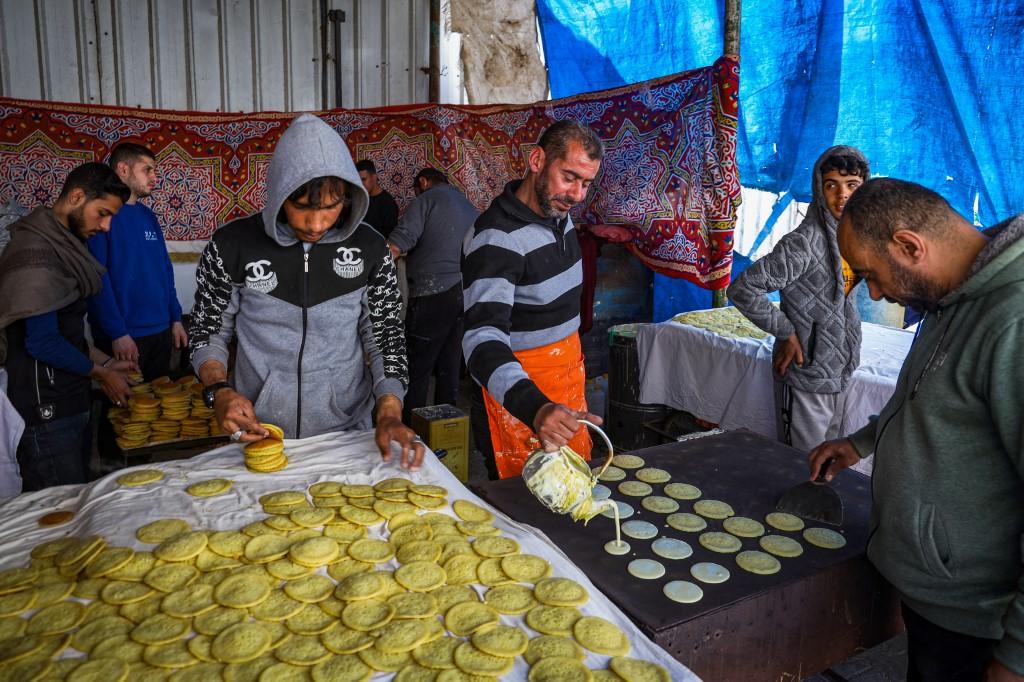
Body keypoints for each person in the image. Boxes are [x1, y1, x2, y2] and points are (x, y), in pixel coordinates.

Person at [809, 178, 1024, 682]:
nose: (876, 292)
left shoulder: (1012, 321)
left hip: (979, 620)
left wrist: (1015, 660)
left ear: (909, 245)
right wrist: (861, 442)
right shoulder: (951, 297)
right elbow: (932, 397)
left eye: (871, 274)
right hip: (936, 598)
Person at [188, 114, 423, 470]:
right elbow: (208, 329)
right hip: (259, 433)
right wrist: (218, 390)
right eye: (302, 208)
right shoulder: (232, 245)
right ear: (280, 194)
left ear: (348, 197)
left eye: (330, 207)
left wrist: (389, 410)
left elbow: (385, 336)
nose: (315, 224)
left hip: (346, 434)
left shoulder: (370, 249)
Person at [462, 120, 604, 480]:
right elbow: (481, 340)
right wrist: (536, 408)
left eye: (586, 183)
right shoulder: (496, 239)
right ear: (537, 160)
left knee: (573, 497)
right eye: (569, 177)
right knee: (526, 510)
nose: (577, 195)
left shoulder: (559, 215)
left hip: (566, 382)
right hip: (521, 397)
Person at [0, 163, 135, 490]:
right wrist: (102, 374)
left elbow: (65, 330)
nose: (105, 226)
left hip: (67, 400)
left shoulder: (65, 245)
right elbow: (42, 342)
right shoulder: (37, 253)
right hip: (44, 410)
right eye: (102, 213)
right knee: (59, 514)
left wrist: (104, 361)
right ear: (76, 196)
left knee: (77, 501)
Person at [728, 146, 868, 451]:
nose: (842, 195)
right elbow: (743, 288)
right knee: (802, 462)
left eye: (852, 185)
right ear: (820, 189)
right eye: (832, 185)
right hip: (807, 373)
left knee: (829, 462)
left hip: (840, 371)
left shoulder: (854, 238)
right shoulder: (803, 243)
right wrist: (786, 331)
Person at [88, 143, 187, 381]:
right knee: (126, 413)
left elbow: (165, 270)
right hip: (124, 337)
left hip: (161, 331)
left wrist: (175, 318)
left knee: (161, 406)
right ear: (123, 169)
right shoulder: (102, 215)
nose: (154, 177)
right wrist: (117, 333)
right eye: (147, 170)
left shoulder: (148, 216)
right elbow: (96, 279)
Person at [387, 168, 478, 422]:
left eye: (415, 189)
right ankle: (445, 434)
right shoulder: (467, 205)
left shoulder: (426, 200)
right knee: (449, 367)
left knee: (417, 369)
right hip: (462, 294)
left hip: (431, 293)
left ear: (423, 182)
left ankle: (410, 432)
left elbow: (396, 245)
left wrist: (371, 280)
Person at [356, 159, 399, 239]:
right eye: (359, 180)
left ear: (374, 177)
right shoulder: (361, 199)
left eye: (364, 179)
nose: (360, 184)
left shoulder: (387, 203)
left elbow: (390, 235)